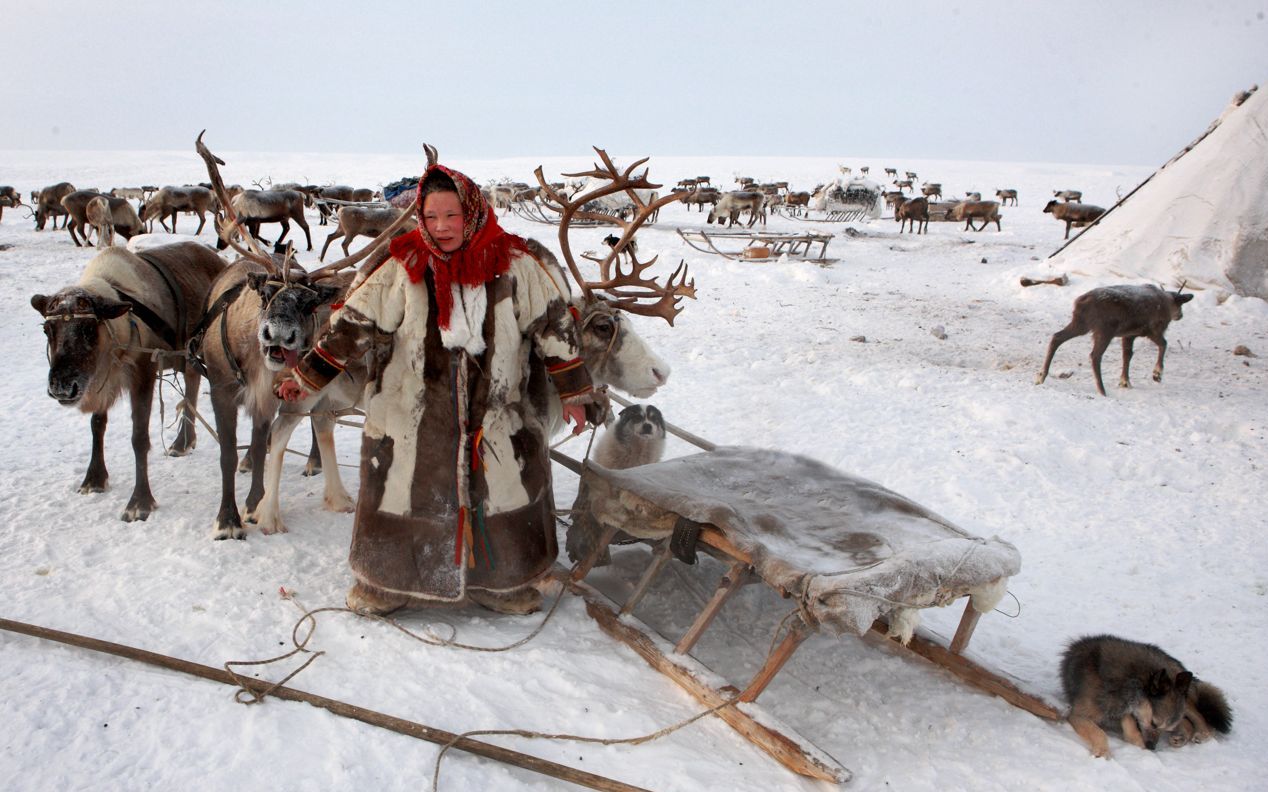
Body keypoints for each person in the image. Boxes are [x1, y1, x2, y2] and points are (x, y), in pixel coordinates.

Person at [276, 160, 608, 616]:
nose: (441, 227)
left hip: (498, 412)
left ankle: (504, 583)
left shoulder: (518, 263)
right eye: (431, 217)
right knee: (403, 489)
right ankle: (387, 583)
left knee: (502, 488)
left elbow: (556, 328)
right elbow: (351, 326)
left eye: (451, 216)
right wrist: (305, 378)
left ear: (471, 211)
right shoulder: (401, 262)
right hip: (410, 412)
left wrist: (575, 394)